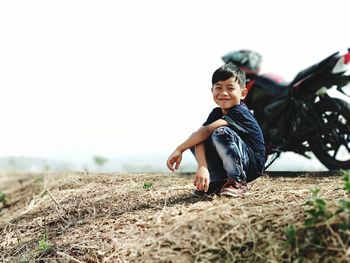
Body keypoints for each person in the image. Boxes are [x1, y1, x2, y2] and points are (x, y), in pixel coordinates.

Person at [166, 63, 265, 197]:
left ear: (243, 93)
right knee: (194, 137)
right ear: (212, 90)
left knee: (220, 132)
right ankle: (217, 181)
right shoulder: (216, 113)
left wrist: (179, 149)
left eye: (230, 88)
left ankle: (238, 181)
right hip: (233, 159)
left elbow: (207, 132)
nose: (224, 93)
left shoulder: (240, 111)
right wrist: (202, 166)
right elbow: (199, 136)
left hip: (251, 165)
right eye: (218, 88)